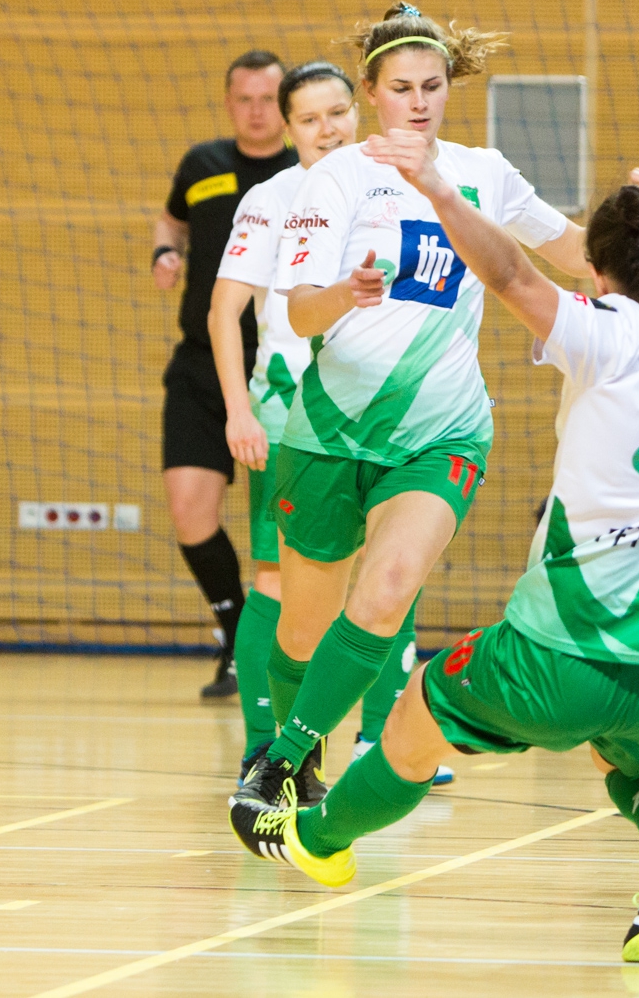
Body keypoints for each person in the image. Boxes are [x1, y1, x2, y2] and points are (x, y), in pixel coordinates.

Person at [230, 148, 639, 966]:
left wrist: (442, 191)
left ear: (596, 274)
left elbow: (509, 276)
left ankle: (315, 834)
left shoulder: (607, 334)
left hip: (563, 646)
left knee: (420, 709)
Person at [232, 4, 589, 810]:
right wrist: (346, 293)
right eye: (402, 88)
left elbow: (569, 248)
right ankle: (300, 746)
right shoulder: (335, 180)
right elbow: (299, 314)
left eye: (433, 86)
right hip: (328, 433)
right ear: (372, 92)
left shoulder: (484, 173)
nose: (420, 101)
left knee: (389, 587)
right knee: (302, 629)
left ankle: (283, 760)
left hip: (442, 432)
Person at [208, 61, 435, 790]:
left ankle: (378, 739)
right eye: (309, 119)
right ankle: (265, 745)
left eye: (338, 111)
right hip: (292, 409)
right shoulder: (272, 199)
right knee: (276, 578)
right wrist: (240, 409)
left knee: (390, 569)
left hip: (386, 406)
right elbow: (224, 309)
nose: (328, 128)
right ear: (287, 127)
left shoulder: (395, 181)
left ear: (359, 108)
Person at [155, 50, 298, 698]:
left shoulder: (306, 172)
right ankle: (236, 634)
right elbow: (172, 218)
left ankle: (276, 652)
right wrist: (166, 249)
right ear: (228, 102)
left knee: (284, 532)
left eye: (268, 99)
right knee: (189, 510)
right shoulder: (202, 165)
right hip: (200, 364)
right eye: (243, 99)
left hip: (281, 368)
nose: (256, 110)